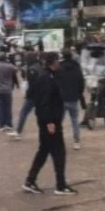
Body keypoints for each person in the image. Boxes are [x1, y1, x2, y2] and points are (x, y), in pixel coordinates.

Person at [23, 52, 75, 196]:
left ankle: (30, 180)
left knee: (44, 151)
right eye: (58, 61)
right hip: (50, 121)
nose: (59, 63)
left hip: (46, 120)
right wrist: (50, 121)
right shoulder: (47, 79)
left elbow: (31, 94)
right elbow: (45, 101)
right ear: (53, 62)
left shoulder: (46, 76)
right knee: (59, 152)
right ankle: (60, 184)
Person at [57, 49, 87, 150]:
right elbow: (81, 83)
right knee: (74, 120)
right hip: (73, 98)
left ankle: (57, 141)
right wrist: (78, 94)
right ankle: (76, 141)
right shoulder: (77, 68)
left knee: (58, 121)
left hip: (61, 98)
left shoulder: (59, 68)